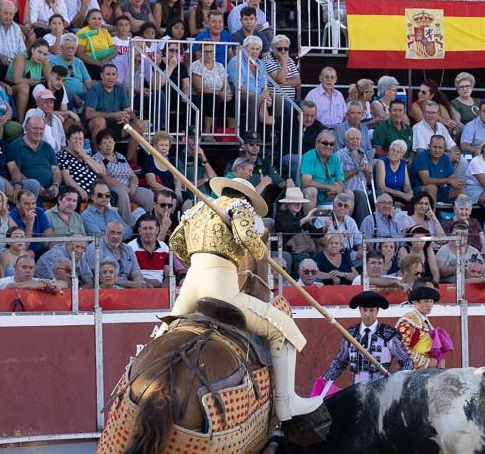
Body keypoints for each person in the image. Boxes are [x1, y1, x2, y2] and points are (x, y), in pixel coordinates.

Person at [168, 176, 323, 424]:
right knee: (283, 329)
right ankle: (286, 404)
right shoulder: (239, 206)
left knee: (167, 330)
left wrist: (196, 261)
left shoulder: (197, 209)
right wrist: (261, 252)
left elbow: (175, 242)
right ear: (246, 198)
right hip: (220, 288)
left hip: (189, 288)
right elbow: (246, 238)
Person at [321, 290, 412, 387]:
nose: (368, 314)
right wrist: (323, 381)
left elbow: (406, 362)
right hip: (356, 390)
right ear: (360, 310)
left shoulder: (388, 334)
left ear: (377, 310)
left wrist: (401, 383)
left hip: (380, 391)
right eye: (364, 310)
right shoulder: (351, 334)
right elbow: (339, 363)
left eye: (371, 310)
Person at [396, 284, 447, 369]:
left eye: (431, 302)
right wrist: (426, 362)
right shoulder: (408, 322)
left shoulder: (426, 322)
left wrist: (439, 360)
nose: (429, 305)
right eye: (426, 301)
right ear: (415, 302)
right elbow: (402, 350)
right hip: (410, 371)